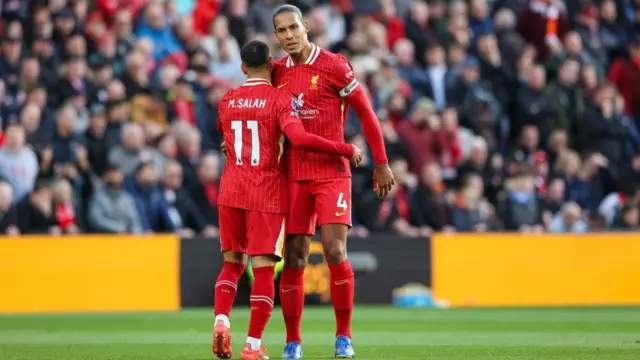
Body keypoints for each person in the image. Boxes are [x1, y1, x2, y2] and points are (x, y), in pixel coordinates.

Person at [212, 40, 363, 360]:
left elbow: (227, 140)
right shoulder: (280, 99)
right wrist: (345, 148)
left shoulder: (228, 98)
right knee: (264, 270)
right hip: (265, 190)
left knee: (231, 264)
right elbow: (298, 138)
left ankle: (221, 321)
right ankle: (253, 346)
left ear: (242, 68)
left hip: (230, 190)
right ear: (272, 64)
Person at [272, 5, 395, 358]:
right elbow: (258, 112)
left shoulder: (335, 66)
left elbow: (367, 113)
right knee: (293, 257)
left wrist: (382, 162)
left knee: (334, 250)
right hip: (294, 175)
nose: (289, 35)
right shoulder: (276, 72)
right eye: (281, 31)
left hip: (331, 174)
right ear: (277, 37)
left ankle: (344, 336)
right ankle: (293, 341)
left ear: (306, 27)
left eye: (293, 27)